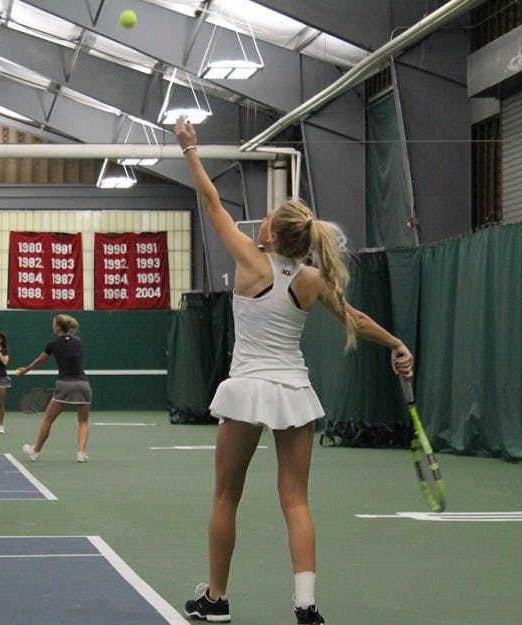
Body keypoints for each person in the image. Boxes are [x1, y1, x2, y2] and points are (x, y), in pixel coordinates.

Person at [174, 116, 414, 625]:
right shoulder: (310, 279)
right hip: (293, 392)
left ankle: (216, 600)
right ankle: (306, 605)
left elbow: (212, 205)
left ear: (272, 233)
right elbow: (356, 319)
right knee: (296, 501)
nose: (257, 223)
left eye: (264, 219)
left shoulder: (249, 260)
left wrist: (190, 150)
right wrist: (396, 344)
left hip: (248, 391)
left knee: (225, 495)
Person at [17, 314, 92, 463]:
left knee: (48, 419)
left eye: (54, 324)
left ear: (58, 327)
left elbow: (40, 360)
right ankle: (81, 453)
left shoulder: (52, 344)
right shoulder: (78, 342)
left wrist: (26, 369)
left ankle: (35, 451)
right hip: (84, 384)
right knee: (83, 421)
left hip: (64, 384)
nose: (53, 326)